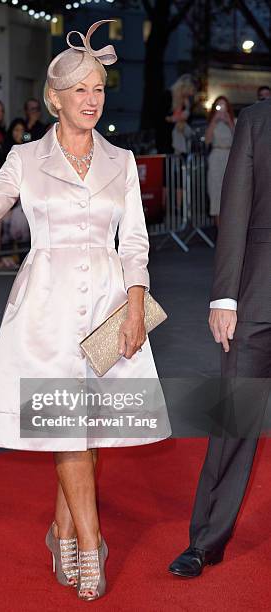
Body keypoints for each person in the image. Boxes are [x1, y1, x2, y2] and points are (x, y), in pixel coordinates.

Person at [0, 19, 172, 601]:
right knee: (68, 428)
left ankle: (60, 528)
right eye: (79, 89)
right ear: (54, 99)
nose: (91, 99)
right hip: (45, 309)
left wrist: (135, 307)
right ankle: (89, 542)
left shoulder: (122, 161)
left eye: (99, 88)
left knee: (91, 428)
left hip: (110, 303)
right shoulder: (25, 158)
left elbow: (134, 240)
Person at [169, 96, 271, 578]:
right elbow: (235, 206)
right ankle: (205, 542)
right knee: (234, 420)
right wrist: (224, 297)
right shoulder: (257, 120)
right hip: (257, 296)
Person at [205, 96, 235, 226]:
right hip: (216, 156)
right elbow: (207, 141)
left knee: (232, 193)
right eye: (218, 106)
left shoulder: (234, 121)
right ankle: (219, 232)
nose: (221, 109)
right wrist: (214, 121)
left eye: (224, 106)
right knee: (216, 193)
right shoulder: (212, 123)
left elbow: (239, 139)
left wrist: (229, 122)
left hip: (231, 156)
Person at [156, 74, 197, 154]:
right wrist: (173, 119)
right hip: (166, 139)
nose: (192, 94)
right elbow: (159, 117)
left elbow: (189, 119)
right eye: (192, 90)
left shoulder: (186, 102)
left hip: (181, 137)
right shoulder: (167, 96)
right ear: (185, 87)